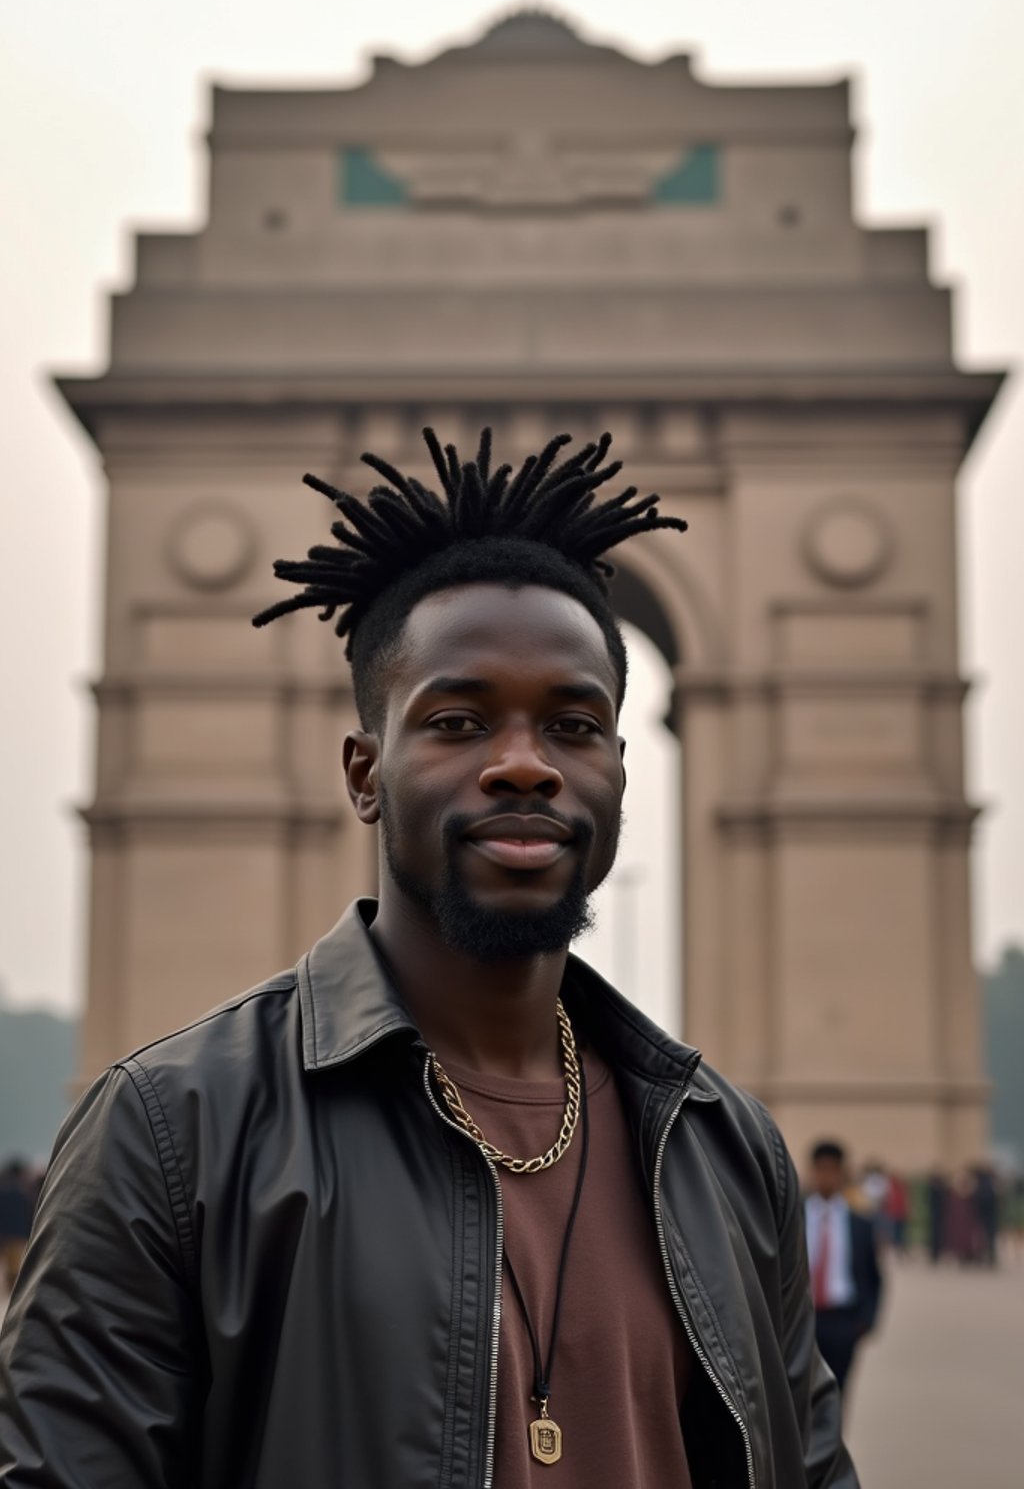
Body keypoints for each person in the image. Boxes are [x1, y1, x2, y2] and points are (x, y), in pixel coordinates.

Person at [0, 428, 857, 1487]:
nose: (522, 766)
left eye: (574, 724)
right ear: (365, 771)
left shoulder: (728, 1152)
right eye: (457, 719)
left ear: (620, 774)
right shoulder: (171, 1138)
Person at [804, 1141, 883, 1399]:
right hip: (802, 1319)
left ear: (842, 1173)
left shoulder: (860, 1223)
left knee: (837, 1394)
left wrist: (865, 1321)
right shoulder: (793, 1219)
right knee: (800, 1397)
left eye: (831, 1170)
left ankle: (832, 1440)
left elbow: (874, 1276)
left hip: (843, 1321)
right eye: (820, 1170)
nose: (825, 1176)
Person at [0, 1164, 32, 1296]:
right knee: (16, 1267)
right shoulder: (23, 1193)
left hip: (4, 1234)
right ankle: (14, 1292)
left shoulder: (2, 1192)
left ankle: (8, 1290)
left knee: (7, 1265)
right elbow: (28, 1214)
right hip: (19, 1234)